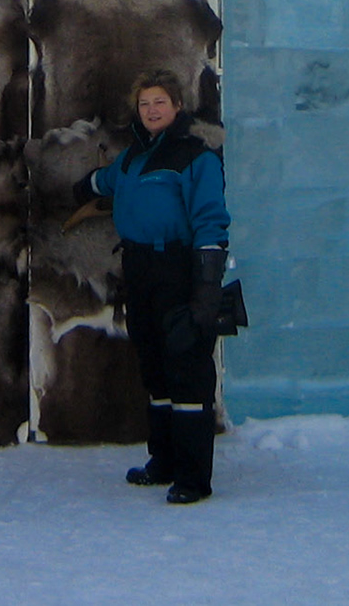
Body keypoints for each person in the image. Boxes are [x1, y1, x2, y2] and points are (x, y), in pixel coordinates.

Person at [74, 68, 231, 503]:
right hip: (139, 271)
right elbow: (107, 180)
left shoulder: (196, 157)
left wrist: (207, 286)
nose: (151, 110)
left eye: (160, 101)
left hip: (178, 270)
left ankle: (192, 478)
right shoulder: (132, 158)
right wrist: (83, 186)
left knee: (186, 370)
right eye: (144, 104)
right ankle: (163, 462)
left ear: (177, 106)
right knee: (155, 370)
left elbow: (211, 222)